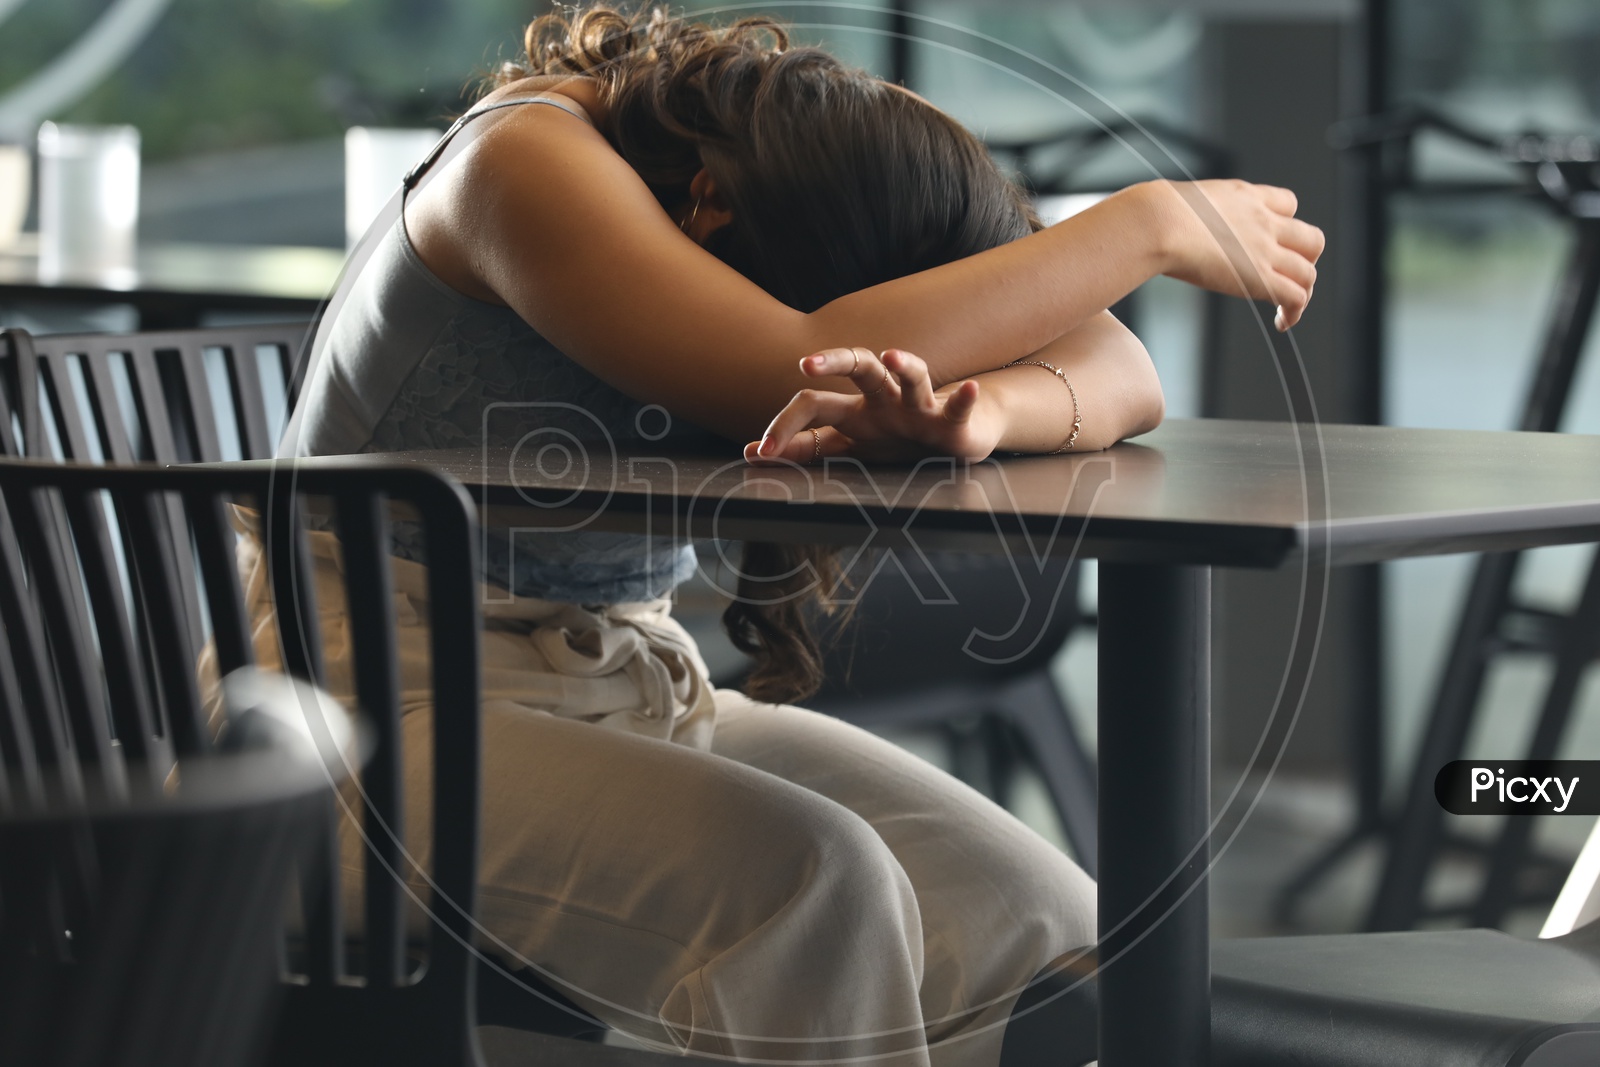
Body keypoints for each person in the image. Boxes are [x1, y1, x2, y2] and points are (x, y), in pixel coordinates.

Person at [256, 5, 1324, 1066]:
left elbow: (1122, 371)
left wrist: (987, 404)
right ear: (709, 207)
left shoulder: (798, 171)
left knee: (1037, 917)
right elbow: (796, 360)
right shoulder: (521, 159)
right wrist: (1142, 225)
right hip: (350, 721)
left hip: (624, 689)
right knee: (813, 887)